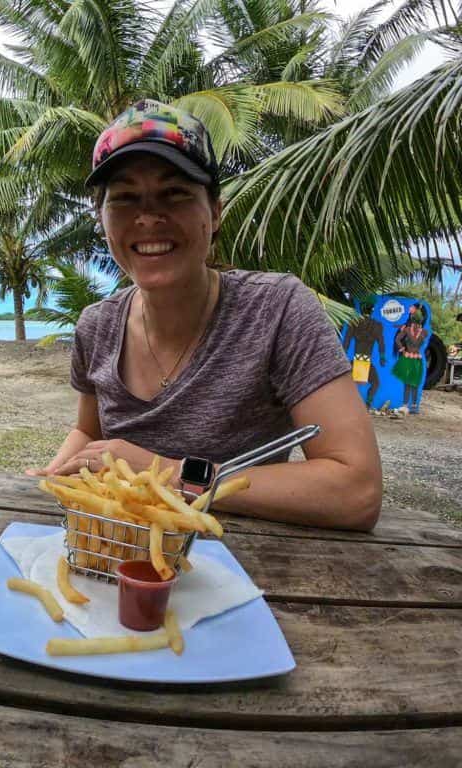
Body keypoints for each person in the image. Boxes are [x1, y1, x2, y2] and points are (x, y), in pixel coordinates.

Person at [27, 100, 382, 531]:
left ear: (215, 211)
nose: (148, 217)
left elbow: (357, 490)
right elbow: (89, 433)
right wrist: (55, 476)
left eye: (174, 193)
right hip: (117, 563)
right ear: (101, 221)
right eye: (123, 199)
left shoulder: (278, 311)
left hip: (248, 570)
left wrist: (165, 472)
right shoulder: (96, 326)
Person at [391, 303, 428, 413]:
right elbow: (397, 340)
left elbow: (398, 339)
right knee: (410, 381)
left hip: (414, 358)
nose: (417, 324)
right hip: (412, 358)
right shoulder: (413, 330)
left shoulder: (417, 331)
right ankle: (408, 404)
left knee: (413, 381)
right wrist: (402, 348)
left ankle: (411, 405)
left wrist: (402, 348)